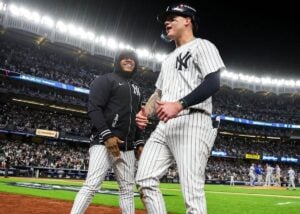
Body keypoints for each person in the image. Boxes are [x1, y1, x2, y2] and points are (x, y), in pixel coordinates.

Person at [135, 2, 225, 213]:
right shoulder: (167, 59)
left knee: (192, 194)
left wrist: (180, 104)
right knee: (145, 179)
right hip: (165, 126)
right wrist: (145, 112)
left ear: (188, 21)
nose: (166, 22)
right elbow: (158, 94)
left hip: (192, 121)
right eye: (166, 19)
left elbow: (214, 82)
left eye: (172, 18)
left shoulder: (202, 45)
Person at [71, 50, 144, 214]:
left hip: (127, 147)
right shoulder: (105, 79)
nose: (129, 60)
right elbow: (94, 108)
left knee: (127, 189)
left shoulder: (137, 88)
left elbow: (136, 119)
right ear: (117, 61)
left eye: (133, 59)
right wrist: (107, 135)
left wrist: (139, 142)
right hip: (103, 142)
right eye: (125, 58)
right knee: (92, 185)